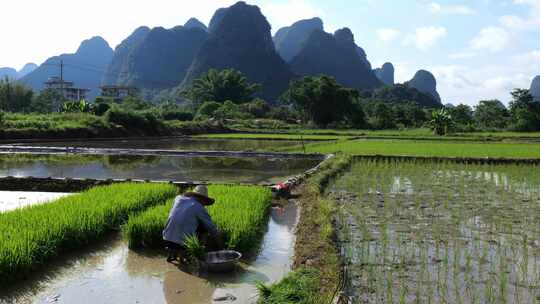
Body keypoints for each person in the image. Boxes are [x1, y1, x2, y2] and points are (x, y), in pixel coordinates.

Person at [163, 185, 221, 263]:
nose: (204, 204)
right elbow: (212, 228)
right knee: (204, 227)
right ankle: (199, 251)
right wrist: (221, 246)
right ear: (202, 199)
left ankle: (172, 253)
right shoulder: (198, 207)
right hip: (182, 244)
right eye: (204, 201)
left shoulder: (178, 198)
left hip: (166, 238)